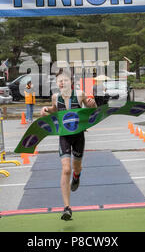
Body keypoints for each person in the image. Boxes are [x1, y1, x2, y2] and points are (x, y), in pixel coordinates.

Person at [40, 69, 96, 221]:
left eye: (64, 80)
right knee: (66, 169)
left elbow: (92, 109)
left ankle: (77, 176)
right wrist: (46, 110)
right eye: (59, 80)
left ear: (71, 82)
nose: (61, 82)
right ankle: (67, 208)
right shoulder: (55, 97)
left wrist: (92, 103)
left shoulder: (80, 94)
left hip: (79, 136)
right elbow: (54, 110)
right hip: (64, 136)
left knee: (76, 167)